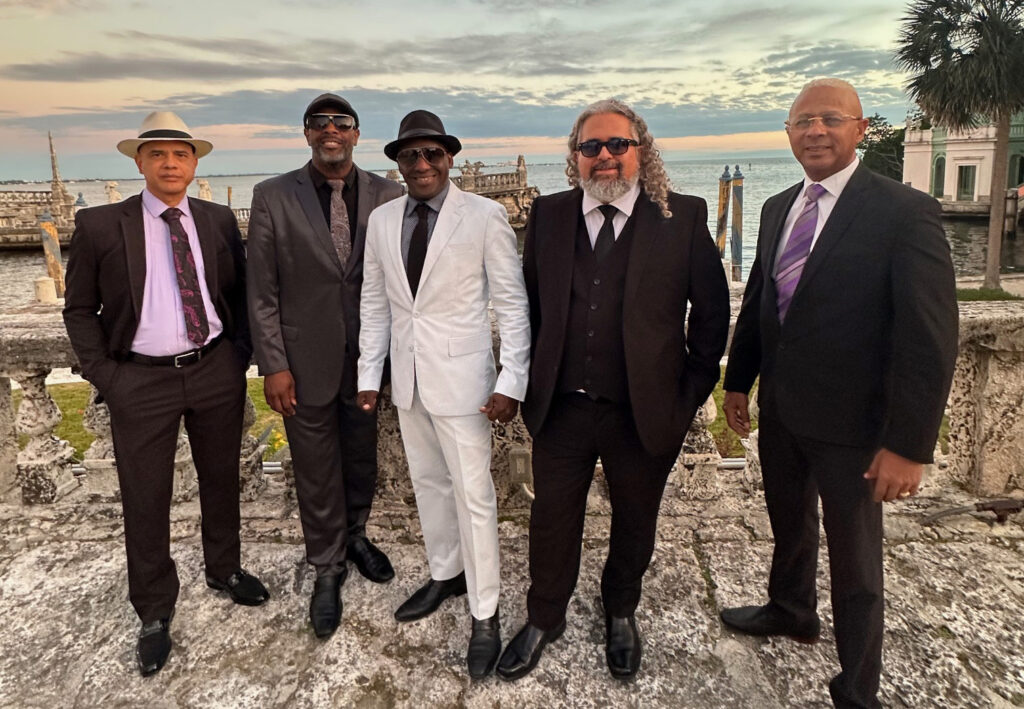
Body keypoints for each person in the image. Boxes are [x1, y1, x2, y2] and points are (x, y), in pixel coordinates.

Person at [720, 78, 958, 708]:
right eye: (802, 121)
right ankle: (792, 609)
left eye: (830, 119)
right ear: (789, 134)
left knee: (856, 561)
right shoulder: (777, 208)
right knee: (788, 524)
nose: (815, 130)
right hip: (785, 412)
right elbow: (762, 309)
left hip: (856, 424)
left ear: (860, 129)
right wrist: (738, 381)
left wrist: (909, 445)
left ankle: (857, 688)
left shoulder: (903, 211)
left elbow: (929, 336)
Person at [496, 98, 731, 681]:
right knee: (551, 519)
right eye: (590, 147)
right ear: (575, 157)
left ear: (641, 151)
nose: (604, 157)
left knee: (635, 519)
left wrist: (684, 402)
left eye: (617, 145)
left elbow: (710, 320)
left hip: (644, 413)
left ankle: (620, 609)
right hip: (561, 407)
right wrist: (523, 384)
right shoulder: (548, 216)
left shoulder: (685, 216)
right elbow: (527, 307)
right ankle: (544, 615)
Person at [63, 111, 268, 677]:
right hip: (140, 379)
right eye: (158, 154)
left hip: (214, 368)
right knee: (146, 495)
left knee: (222, 478)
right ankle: (154, 609)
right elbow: (79, 309)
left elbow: (238, 290)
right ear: (139, 163)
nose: (170, 163)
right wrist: (106, 375)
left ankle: (223, 569)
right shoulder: (102, 225)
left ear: (195, 162)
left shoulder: (219, 218)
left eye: (180, 154)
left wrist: (238, 354)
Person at [356, 110, 530, 678]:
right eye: (411, 155)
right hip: (406, 381)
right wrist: (368, 375)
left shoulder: (484, 216)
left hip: (466, 384)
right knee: (429, 485)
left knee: (474, 497)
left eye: (433, 153)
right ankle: (446, 574)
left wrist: (511, 381)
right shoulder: (382, 220)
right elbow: (376, 304)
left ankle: (486, 611)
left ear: (449, 158)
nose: (423, 163)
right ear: (399, 163)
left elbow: (511, 304)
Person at [246, 93, 403, 639]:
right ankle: (327, 568)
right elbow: (261, 290)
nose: (331, 130)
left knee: (362, 457)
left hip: (369, 359)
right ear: (306, 133)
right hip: (302, 361)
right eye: (320, 123)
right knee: (314, 468)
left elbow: (402, 283)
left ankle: (356, 534)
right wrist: (273, 363)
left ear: (357, 135)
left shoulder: (389, 193)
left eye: (342, 122)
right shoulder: (272, 196)